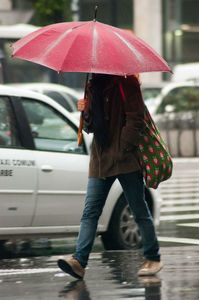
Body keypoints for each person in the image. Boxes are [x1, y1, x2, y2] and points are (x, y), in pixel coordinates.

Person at [57, 74, 163, 279]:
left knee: (139, 209)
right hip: (100, 160)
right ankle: (79, 261)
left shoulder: (127, 84)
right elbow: (89, 128)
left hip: (125, 160)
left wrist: (121, 149)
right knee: (90, 212)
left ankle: (153, 257)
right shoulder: (92, 85)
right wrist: (85, 111)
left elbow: (136, 120)